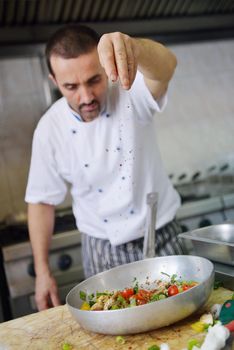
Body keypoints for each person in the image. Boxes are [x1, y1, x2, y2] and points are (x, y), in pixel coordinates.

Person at [25, 24, 185, 311]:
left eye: (94, 80)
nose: (86, 97)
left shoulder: (129, 90)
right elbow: (40, 201)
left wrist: (135, 48)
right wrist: (42, 271)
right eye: (70, 87)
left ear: (106, 67)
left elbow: (168, 66)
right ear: (54, 80)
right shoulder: (50, 129)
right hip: (101, 250)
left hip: (161, 235)